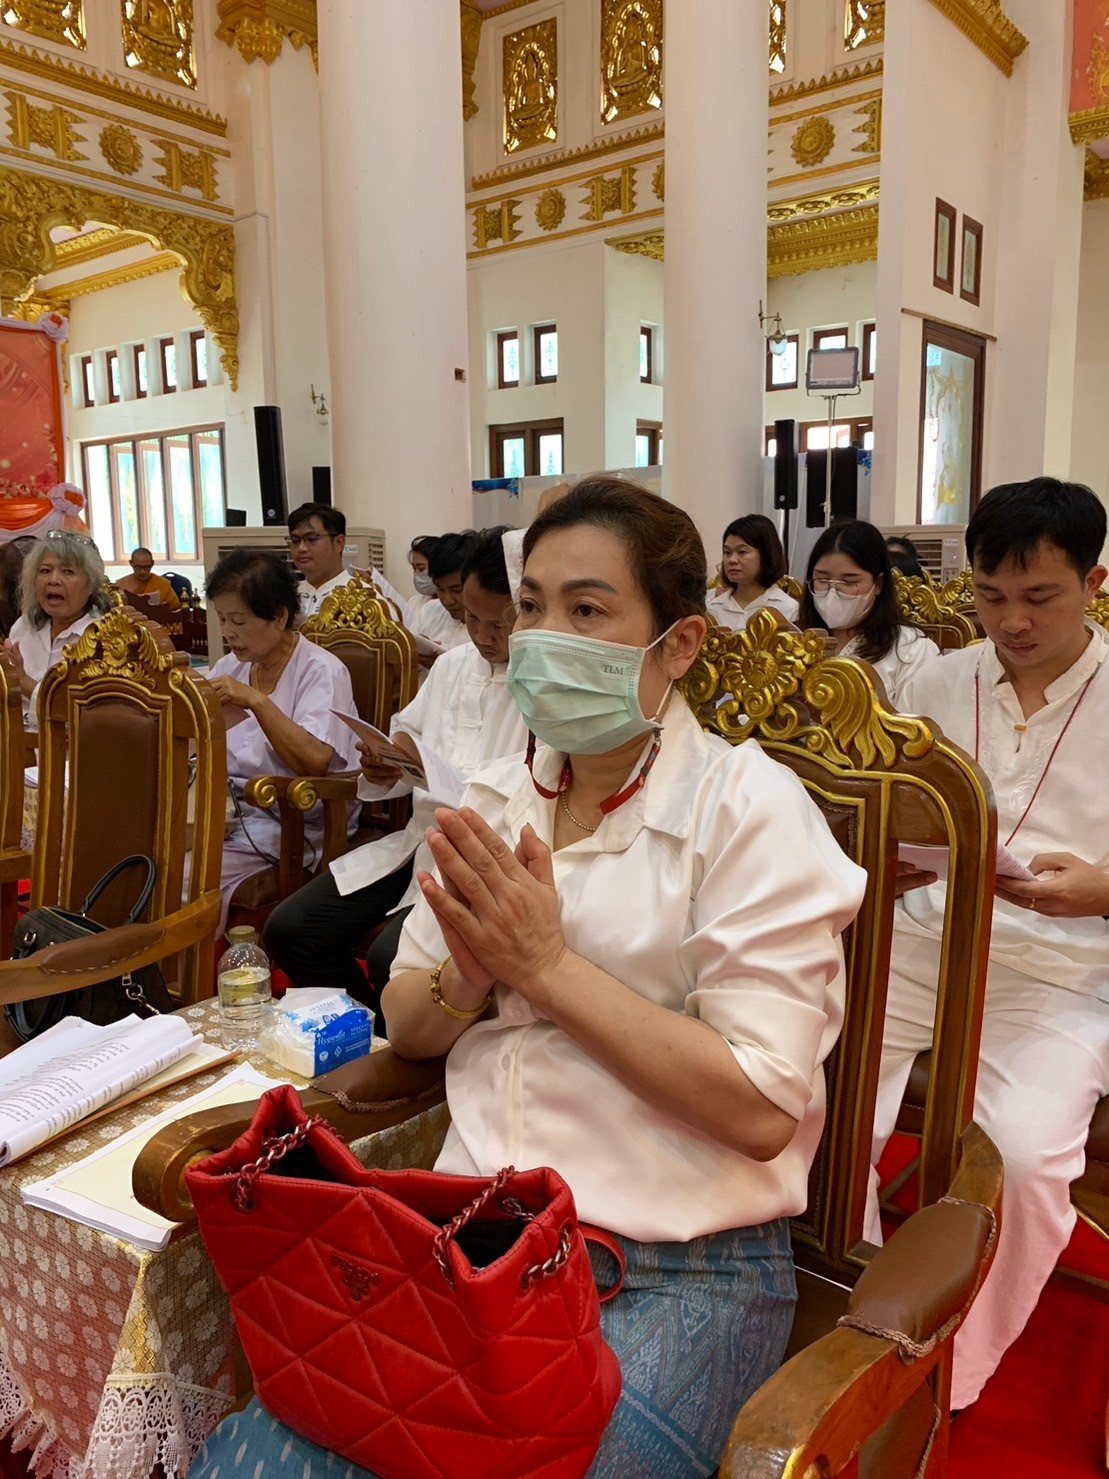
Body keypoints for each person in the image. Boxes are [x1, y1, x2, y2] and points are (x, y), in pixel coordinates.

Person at [191, 476, 867, 1479]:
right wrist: (465, 978)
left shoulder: (745, 811)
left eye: (586, 611)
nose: (543, 638)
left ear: (674, 645)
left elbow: (762, 1108)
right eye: (536, 605)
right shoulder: (502, 795)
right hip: (471, 1239)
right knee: (258, 1459)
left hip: (673, 1263)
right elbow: (415, 1027)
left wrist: (543, 972)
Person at [869, 477, 1109, 1410]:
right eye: (989, 595)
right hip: (922, 938)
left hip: (1066, 968)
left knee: (1015, 1143)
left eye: (1039, 596)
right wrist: (887, 859)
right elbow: (890, 808)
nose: (1010, 620)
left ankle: (943, 1371)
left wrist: (1102, 891)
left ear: (1093, 581)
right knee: (789, 1072)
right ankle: (841, 1286)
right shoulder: (933, 680)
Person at [262, 527, 527, 1010]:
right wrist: (387, 759)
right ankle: (370, 1032)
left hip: (488, 861)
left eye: (499, 624)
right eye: (470, 618)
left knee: (392, 957)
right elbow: (409, 727)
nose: (482, 636)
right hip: (419, 840)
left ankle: (415, 1057)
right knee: (291, 930)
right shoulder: (453, 666)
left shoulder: (542, 681)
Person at [203, 550, 359, 939]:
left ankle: (203, 977)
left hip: (302, 818)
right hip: (236, 817)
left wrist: (256, 701)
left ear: (278, 617)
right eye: (222, 620)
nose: (228, 633)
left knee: (192, 875)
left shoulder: (321, 670)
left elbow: (316, 761)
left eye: (238, 621)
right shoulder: (231, 667)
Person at [797, 520, 939, 706]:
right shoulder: (794, 639)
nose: (832, 593)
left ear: (878, 584)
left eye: (849, 582)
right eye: (822, 580)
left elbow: (918, 727)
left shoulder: (911, 649)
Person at [5, 531, 113, 729]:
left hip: (72, 751)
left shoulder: (106, 638)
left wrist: (22, 681)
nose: (53, 580)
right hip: (17, 745)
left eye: (67, 572)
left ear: (91, 586)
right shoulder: (23, 627)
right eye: (45, 571)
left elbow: (87, 713)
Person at [287, 503, 409, 622]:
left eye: (311, 539)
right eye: (295, 540)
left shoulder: (366, 598)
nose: (302, 548)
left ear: (339, 543)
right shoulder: (283, 595)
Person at [707, 514, 798, 630]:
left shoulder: (786, 608)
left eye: (742, 552)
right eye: (727, 552)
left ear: (766, 554)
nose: (731, 560)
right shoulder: (713, 608)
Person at [406, 530, 479, 654]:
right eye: (440, 589)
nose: (448, 600)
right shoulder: (429, 611)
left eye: (456, 590)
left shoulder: (489, 625)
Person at [116, 547, 182, 610]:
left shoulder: (162, 584)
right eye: (138, 567)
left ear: (152, 563)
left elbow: (175, 609)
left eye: (146, 567)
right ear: (131, 563)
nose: (142, 571)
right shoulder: (121, 584)